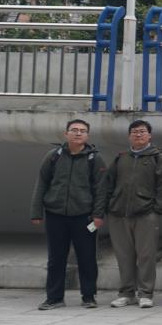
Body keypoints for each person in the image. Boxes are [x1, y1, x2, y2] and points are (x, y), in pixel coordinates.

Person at [31, 118, 106, 310]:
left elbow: (101, 189)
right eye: (74, 130)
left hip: (84, 216)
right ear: (66, 134)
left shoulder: (94, 159)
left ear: (87, 135)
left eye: (82, 130)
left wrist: (98, 215)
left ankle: (88, 296)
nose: (78, 133)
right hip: (55, 215)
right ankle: (54, 298)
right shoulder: (53, 156)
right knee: (56, 258)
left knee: (87, 258)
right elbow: (42, 183)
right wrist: (36, 212)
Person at [103, 119, 162, 309]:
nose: (138, 134)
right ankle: (126, 293)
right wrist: (109, 206)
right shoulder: (121, 158)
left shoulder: (158, 157)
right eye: (134, 131)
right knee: (123, 255)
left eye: (142, 131)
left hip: (146, 214)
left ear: (149, 135)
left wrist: (157, 209)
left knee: (146, 256)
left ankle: (145, 293)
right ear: (129, 136)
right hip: (119, 214)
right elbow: (108, 183)